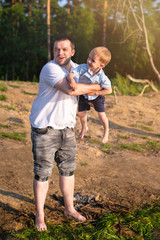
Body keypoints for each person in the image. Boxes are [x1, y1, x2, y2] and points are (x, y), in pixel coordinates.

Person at [29, 35, 102, 231]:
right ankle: (40, 215)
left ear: (72, 52)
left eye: (64, 49)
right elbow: (71, 90)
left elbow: (82, 98)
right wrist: (98, 87)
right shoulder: (50, 68)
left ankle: (69, 208)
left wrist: (83, 121)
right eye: (56, 50)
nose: (59, 53)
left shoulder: (78, 69)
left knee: (68, 170)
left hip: (67, 129)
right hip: (45, 129)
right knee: (43, 173)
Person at [66, 46, 112, 143]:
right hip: (84, 95)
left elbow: (109, 90)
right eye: (89, 58)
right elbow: (71, 74)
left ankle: (106, 131)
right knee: (81, 113)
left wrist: (97, 92)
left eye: (93, 60)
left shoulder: (102, 77)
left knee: (101, 115)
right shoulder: (83, 68)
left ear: (102, 65)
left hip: (96, 97)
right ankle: (84, 127)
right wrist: (72, 81)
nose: (89, 61)